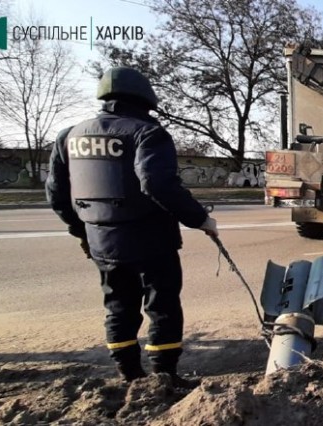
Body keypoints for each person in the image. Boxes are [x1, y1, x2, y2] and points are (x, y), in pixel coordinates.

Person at [45, 66, 218, 386]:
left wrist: (83, 232)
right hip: (151, 240)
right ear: (145, 98)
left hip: (101, 241)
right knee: (161, 304)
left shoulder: (69, 137)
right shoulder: (147, 133)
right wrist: (200, 219)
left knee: (118, 306)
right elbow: (157, 184)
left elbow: (56, 194)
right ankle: (164, 375)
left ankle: (128, 373)